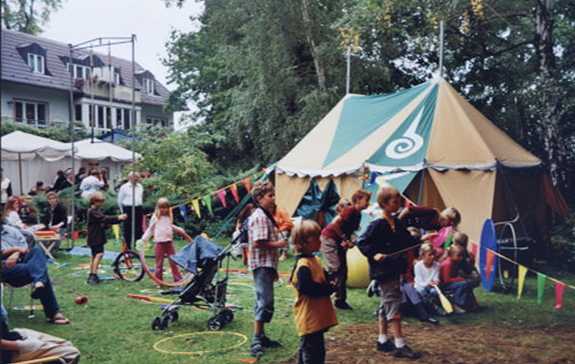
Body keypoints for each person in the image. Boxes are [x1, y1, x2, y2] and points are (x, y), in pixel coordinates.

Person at [357, 186, 421, 359]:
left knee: (386, 304)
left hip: (394, 268)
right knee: (393, 304)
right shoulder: (377, 224)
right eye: (395, 201)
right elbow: (362, 242)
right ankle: (400, 344)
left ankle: (383, 339)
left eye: (399, 201)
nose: (398, 204)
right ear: (384, 204)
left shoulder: (396, 223)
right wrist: (374, 253)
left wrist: (421, 239)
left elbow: (406, 241)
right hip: (384, 271)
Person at [247, 181, 288, 358]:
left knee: (265, 300)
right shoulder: (260, 217)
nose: (273, 198)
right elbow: (258, 242)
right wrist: (279, 244)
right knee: (264, 301)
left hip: (267, 264)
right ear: (259, 198)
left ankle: (261, 336)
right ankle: (256, 339)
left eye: (273, 195)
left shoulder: (265, 214)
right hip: (262, 263)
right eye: (269, 195)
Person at [1, 223, 70, 325]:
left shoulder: (10, 230)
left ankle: (39, 282)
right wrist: (15, 250)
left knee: (37, 250)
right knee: (39, 269)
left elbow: (25, 246)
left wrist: (17, 252)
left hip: (22, 259)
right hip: (4, 266)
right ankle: (53, 312)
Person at [290, 220, 337, 364]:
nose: (320, 240)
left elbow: (322, 277)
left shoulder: (314, 259)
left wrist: (331, 279)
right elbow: (308, 288)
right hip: (309, 317)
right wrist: (329, 288)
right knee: (312, 353)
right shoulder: (303, 265)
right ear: (303, 242)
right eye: (316, 238)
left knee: (315, 350)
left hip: (317, 317)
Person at [320, 189, 371, 310]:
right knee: (335, 268)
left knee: (343, 270)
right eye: (366, 200)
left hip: (339, 242)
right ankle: (321, 292)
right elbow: (335, 224)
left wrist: (350, 241)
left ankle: (340, 300)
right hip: (330, 239)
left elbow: (349, 230)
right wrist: (344, 238)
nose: (368, 203)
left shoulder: (358, 214)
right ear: (358, 200)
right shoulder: (350, 210)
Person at [141, 198, 192, 282]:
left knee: (174, 261)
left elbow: (170, 226)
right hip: (159, 243)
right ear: (158, 208)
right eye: (162, 207)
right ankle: (159, 280)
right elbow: (150, 229)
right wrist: (144, 239)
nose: (164, 210)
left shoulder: (168, 216)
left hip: (169, 242)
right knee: (159, 263)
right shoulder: (155, 217)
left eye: (166, 207)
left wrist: (180, 230)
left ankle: (177, 279)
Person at [86, 192, 127, 285]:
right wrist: (118, 217)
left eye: (102, 202)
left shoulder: (97, 210)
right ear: (94, 201)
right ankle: (93, 275)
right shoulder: (92, 211)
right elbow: (103, 218)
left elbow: (103, 222)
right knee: (99, 254)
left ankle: (92, 273)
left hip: (97, 236)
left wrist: (116, 221)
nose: (101, 203)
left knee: (95, 255)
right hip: (95, 237)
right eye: (99, 202)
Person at [439, 244, 478, 312]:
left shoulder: (455, 262)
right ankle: (458, 303)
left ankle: (471, 304)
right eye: (459, 256)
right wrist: (460, 279)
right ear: (451, 255)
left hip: (451, 283)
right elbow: (446, 280)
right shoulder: (447, 264)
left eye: (462, 256)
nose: (461, 258)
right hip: (445, 286)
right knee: (464, 284)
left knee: (468, 283)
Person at [117, 172, 144, 250]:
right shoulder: (124, 187)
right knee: (128, 228)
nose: (137, 179)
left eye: (138, 177)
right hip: (128, 208)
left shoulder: (140, 186)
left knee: (138, 228)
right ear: (130, 178)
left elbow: (140, 197)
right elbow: (120, 200)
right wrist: (123, 211)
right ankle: (128, 247)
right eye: (135, 177)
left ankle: (138, 246)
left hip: (138, 208)